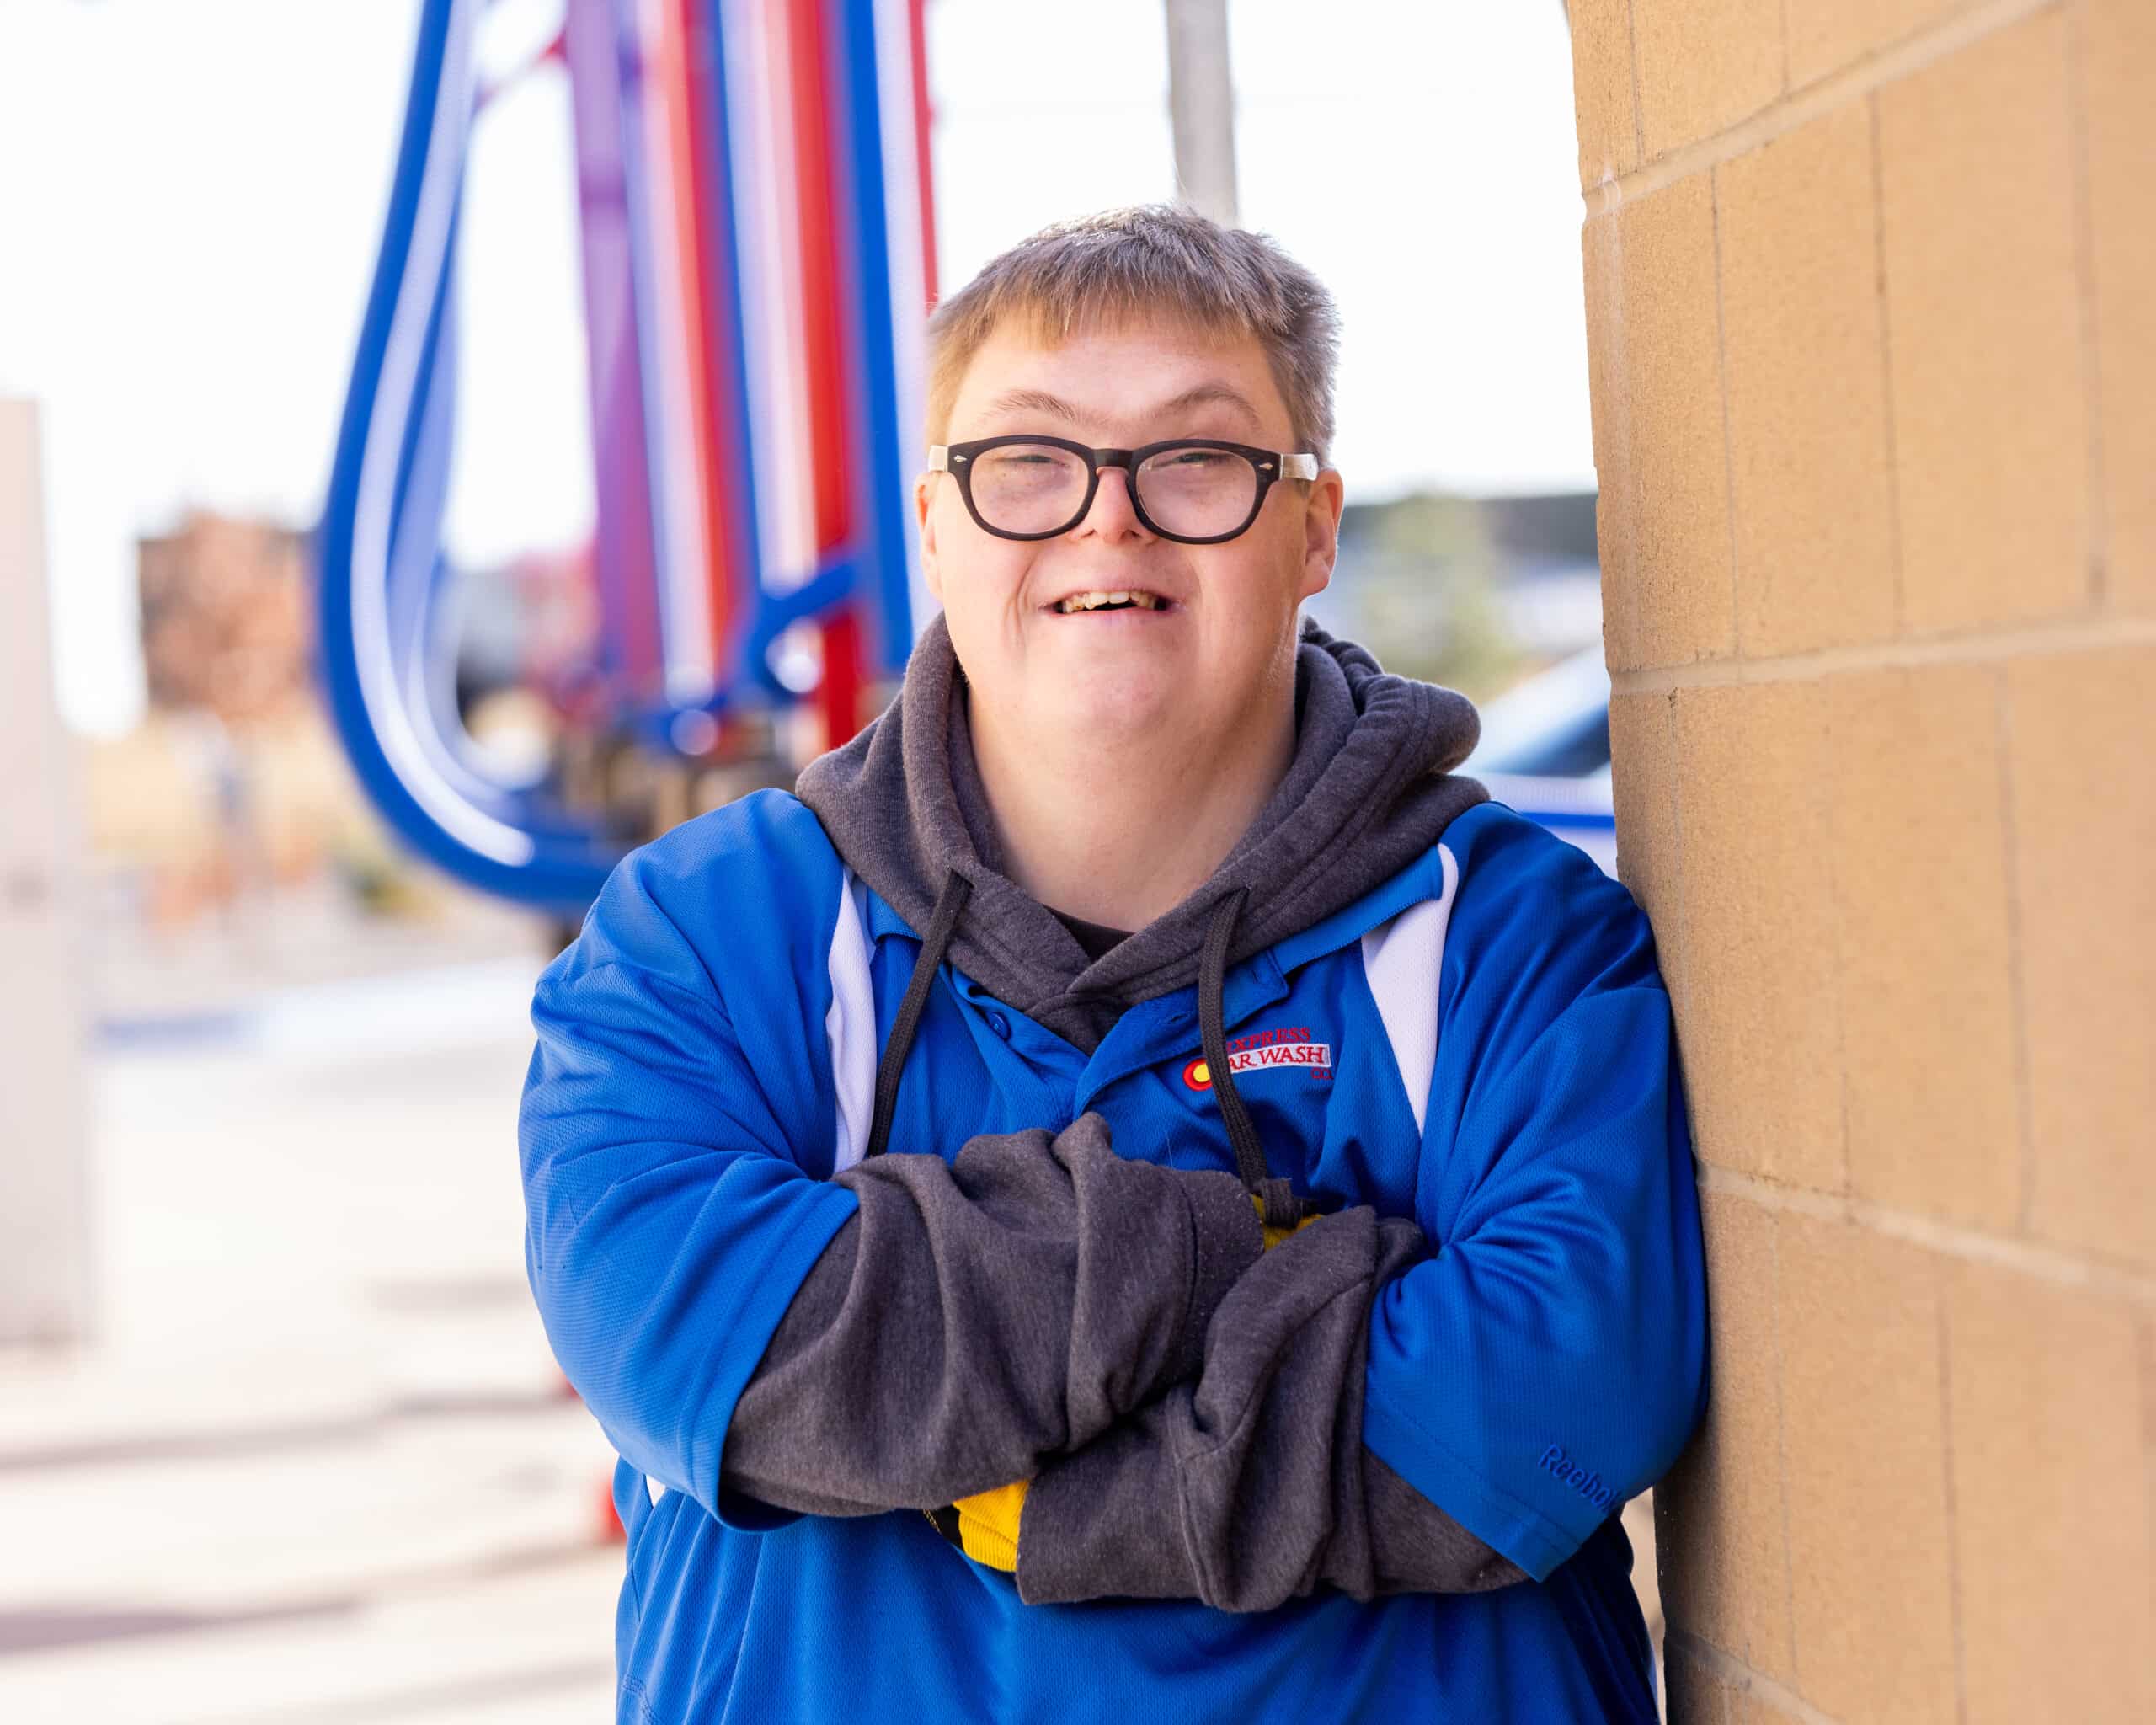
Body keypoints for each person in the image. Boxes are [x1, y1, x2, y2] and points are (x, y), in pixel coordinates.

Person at [519, 204, 1709, 1724]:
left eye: (1195, 459)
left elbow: (1529, 1421)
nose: (1108, 522)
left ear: (1313, 526)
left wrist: (1033, 1496)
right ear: (938, 527)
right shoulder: (710, 931)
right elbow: (704, 1345)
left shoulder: (1508, 940)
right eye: (1030, 461)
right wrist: (1249, 1257)